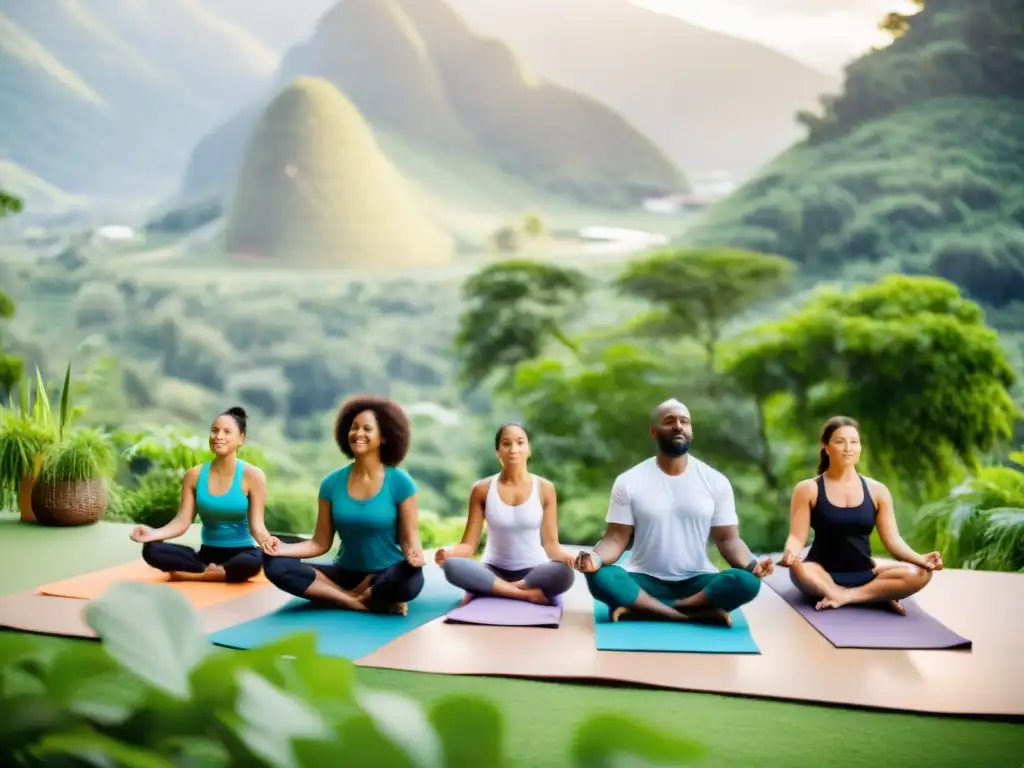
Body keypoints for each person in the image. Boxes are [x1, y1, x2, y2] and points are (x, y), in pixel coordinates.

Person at [575, 399, 771, 626]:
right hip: (643, 580)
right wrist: (595, 559)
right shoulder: (629, 481)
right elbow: (616, 538)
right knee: (601, 575)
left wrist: (752, 565)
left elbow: (728, 540)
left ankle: (653, 609)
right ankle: (688, 615)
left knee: (748, 582)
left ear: (690, 431)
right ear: (653, 432)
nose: (678, 426)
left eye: (684, 421)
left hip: (697, 583)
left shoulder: (716, 481)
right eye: (669, 421)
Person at [256, 395, 425, 615]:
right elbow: (320, 543)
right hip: (345, 572)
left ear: (383, 437)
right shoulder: (331, 483)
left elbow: (409, 535)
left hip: (388, 573)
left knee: (408, 580)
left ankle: (351, 593)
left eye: (367, 429)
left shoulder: (400, 482)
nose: (358, 434)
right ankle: (353, 600)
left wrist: (415, 554)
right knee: (274, 563)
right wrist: (280, 549)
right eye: (354, 428)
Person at [777, 415, 941, 614]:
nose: (848, 447)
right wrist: (790, 553)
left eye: (854, 442)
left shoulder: (877, 491)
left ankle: (848, 596)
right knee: (798, 567)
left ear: (860, 447)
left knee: (921, 573)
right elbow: (797, 537)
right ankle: (874, 595)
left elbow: (893, 541)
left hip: (865, 573)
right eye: (840, 441)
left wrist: (921, 559)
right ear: (825, 447)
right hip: (821, 574)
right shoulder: (808, 489)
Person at [436, 423, 576, 605]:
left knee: (564, 573)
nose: (513, 449)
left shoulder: (545, 488)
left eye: (520, 443)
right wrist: (448, 554)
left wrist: (569, 558)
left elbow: (551, 546)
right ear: (497, 451)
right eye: (506, 444)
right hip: (493, 570)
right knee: (453, 566)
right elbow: (468, 545)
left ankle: (497, 589)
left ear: (529, 449)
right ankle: (525, 595)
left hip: (534, 572)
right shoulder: (481, 489)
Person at [130, 406, 265, 583]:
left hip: (242, 553)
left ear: (241, 438)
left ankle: (196, 575)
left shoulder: (253, 475)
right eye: (215, 431)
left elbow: (257, 527)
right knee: (152, 550)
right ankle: (214, 572)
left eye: (227, 432)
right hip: (206, 555)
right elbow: (182, 521)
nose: (219, 436)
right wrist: (151, 535)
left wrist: (271, 543)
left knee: (251, 562)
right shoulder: (194, 475)